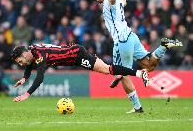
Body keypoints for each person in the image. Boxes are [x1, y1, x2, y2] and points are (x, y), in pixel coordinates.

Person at [90, 0, 183, 113]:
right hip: (131, 37)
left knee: (122, 74)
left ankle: (137, 107)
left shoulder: (109, 1)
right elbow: (124, 2)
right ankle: (163, 46)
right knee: (150, 64)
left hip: (122, 41)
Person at [10, 43, 150, 102]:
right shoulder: (32, 50)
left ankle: (139, 73)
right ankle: (120, 75)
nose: (21, 64)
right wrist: (24, 78)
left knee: (107, 70)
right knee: (108, 69)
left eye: (20, 61)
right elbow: (29, 64)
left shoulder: (39, 54)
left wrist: (27, 94)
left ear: (24, 53)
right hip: (74, 54)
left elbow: (40, 77)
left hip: (76, 55)